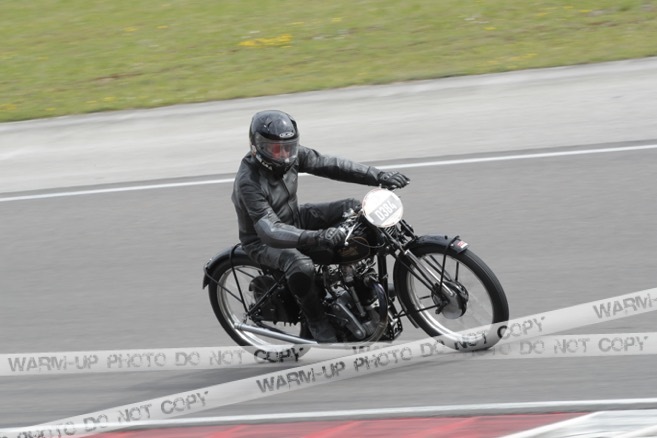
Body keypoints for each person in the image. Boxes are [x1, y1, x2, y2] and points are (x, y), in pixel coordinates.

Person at [231, 110, 410, 343]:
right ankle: (317, 321)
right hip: (262, 240)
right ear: (258, 147)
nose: (284, 155)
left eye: (289, 147)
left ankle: (362, 284)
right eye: (276, 149)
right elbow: (270, 229)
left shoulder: (291, 156)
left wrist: (377, 175)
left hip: (294, 218)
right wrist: (318, 236)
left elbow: (330, 164)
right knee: (301, 264)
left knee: (355, 209)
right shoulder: (249, 182)